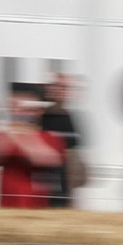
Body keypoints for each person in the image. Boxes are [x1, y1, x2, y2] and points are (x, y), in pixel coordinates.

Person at [0, 86, 65, 209]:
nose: (18, 114)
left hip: (35, 206)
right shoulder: (5, 135)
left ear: (38, 112)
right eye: (14, 109)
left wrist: (20, 135)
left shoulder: (48, 137)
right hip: (7, 206)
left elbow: (45, 159)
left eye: (25, 110)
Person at [40, 73, 87, 208]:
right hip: (45, 174)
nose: (60, 90)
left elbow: (74, 148)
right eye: (57, 86)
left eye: (64, 87)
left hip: (64, 176)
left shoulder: (70, 116)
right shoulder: (42, 114)